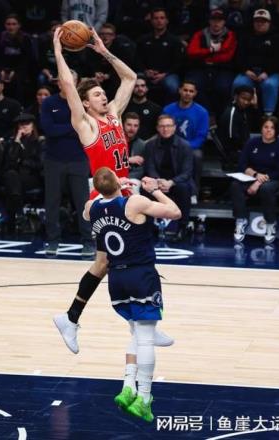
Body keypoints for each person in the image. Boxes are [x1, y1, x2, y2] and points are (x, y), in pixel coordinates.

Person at [51, 26, 173, 354]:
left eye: (103, 93)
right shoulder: (86, 124)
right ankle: (78, 319)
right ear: (85, 103)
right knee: (112, 261)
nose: (103, 97)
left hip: (124, 193)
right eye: (96, 95)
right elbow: (68, 85)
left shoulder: (115, 115)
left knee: (120, 258)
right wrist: (59, 52)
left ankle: (135, 322)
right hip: (104, 196)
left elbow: (130, 78)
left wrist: (103, 51)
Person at [84, 167, 181, 422]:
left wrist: (110, 189)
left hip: (117, 280)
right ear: (118, 181)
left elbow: (97, 201)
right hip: (141, 275)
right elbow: (174, 212)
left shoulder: (91, 208)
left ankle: (128, 386)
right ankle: (144, 398)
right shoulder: (134, 203)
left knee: (137, 332)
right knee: (146, 337)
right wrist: (155, 190)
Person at [40, 70, 94, 256]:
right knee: (52, 202)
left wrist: (69, 128)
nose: (67, 82)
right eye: (63, 80)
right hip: (53, 160)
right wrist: (74, 127)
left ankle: (88, 242)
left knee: (83, 203)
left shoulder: (83, 104)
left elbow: (87, 129)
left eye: (71, 80)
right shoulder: (49, 103)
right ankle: (53, 241)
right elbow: (49, 129)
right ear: (58, 82)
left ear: (77, 82)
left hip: (79, 159)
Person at [231, 116, 279, 244]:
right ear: (261, 128)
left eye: (272, 128)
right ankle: (241, 220)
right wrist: (255, 174)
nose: (268, 130)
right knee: (236, 185)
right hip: (254, 176)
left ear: (277, 130)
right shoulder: (252, 142)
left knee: (266, 188)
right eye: (266, 127)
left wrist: (258, 182)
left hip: (275, 178)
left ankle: (270, 222)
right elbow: (242, 164)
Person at [144, 114, 194, 242]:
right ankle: (147, 228)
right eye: (162, 126)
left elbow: (187, 172)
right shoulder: (150, 145)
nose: (165, 129)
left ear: (174, 127)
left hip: (177, 181)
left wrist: (171, 182)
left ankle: (182, 228)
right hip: (157, 181)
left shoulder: (185, 146)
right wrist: (158, 181)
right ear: (157, 128)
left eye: (168, 126)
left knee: (183, 188)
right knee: (145, 188)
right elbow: (150, 167)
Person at [232, 9, 279, 117]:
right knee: (238, 83)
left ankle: (268, 116)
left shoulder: (278, 38)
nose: (260, 24)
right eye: (257, 21)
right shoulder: (246, 37)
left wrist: (267, 72)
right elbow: (239, 57)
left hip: (271, 73)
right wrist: (246, 70)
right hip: (249, 72)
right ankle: (236, 113)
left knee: (269, 84)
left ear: (269, 23)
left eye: (263, 21)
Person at [186, 8, 237, 118]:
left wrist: (205, 56)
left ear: (224, 22)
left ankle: (222, 117)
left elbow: (227, 56)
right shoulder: (199, 34)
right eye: (213, 20)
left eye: (219, 20)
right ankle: (205, 115)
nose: (216, 23)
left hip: (223, 68)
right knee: (195, 85)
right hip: (200, 67)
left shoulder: (230, 35)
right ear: (209, 21)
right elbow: (191, 52)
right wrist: (211, 50)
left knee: (223, 87)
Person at [162, 80, 209, 197]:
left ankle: (194, 191)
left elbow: (201, 136)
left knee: (197, 156)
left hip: (192, 147)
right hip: (169, 144)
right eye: (185, 90)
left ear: (195, 93)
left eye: (191, 91)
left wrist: (185, 147)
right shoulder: (168, 110)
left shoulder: (202, 112)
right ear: (179, 91)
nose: (188, 93)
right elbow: (163, 129)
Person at [2, 113, 44, 232]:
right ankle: (19, 215)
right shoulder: (12, 142)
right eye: (21, 124)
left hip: (32, 177)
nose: (24, 127)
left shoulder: (40, 142)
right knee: (11, 176)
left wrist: (21, 161)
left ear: (32, 126)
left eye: (27, 124)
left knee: (12, 182)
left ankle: (14, 218)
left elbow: (40, 164)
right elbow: (9, 162)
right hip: (15, 177)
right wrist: (16, 142)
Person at [135, 8, 184, 102]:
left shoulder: (174, 41)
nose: (159, 21)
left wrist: (164, 74)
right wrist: (145, 71)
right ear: (151, 21)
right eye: (156, 18)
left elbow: (178, 63)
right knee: (132, 82)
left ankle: (168, 110)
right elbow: (137, 59)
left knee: (173, 86)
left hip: (168, 74)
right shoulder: (143, 39)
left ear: (167, 21)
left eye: (162, 18)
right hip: (146, 73)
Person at [216, 85, 259, 168]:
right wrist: (248, 150)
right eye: (243, 98)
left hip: (242, 150)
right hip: (231, 154)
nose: (246, 102)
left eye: (249, 100)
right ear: (236, 97)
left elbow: (257, 126)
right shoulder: (232, 112)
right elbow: (232, 139)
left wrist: (255, 106)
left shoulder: (244, 110)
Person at [124, 75, 162, 140]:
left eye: (143, 86)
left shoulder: (156, 109)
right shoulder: (125, 107)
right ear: (132, 88)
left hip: (149, 143)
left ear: (147, 88)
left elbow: (159, 131)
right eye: (136, 86)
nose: (140, 89)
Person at [123, 112, 146, 184]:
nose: (132, 128)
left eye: (135, 126)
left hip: (132, 179)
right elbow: (107, 161)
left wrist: (127, 178)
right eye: (129, 125)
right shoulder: (114, 141)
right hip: (114, 177)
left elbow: (142, 169)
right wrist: (128, 160)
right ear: (123, 125)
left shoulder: (142, 145)